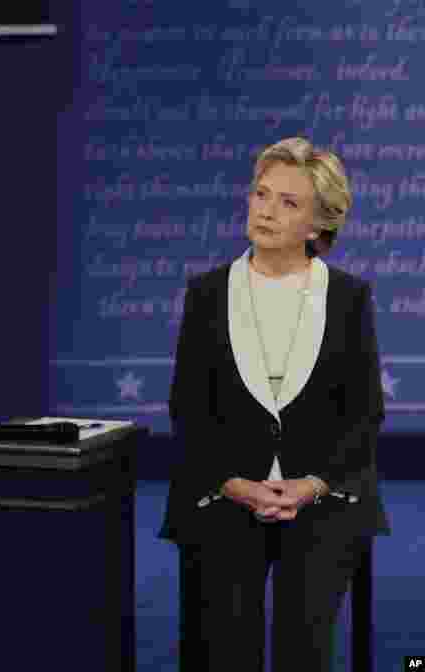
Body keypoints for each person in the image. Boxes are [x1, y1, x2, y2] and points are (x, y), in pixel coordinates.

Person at [158, 137, 390, 671]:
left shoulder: (349, 297)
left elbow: (364, 414)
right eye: (262, 194)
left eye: (289, 202)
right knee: (223, 645)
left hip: (321, 494)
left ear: (318, 225)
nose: (266, 210)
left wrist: (312, 483)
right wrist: (234, 483)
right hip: (227, 490)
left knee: (303, 646)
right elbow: (188, 409)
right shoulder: (208, 293)